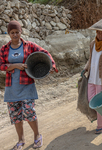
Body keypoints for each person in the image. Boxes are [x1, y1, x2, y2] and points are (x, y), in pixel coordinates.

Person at [0, 20, 58, 150]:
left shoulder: (29, 46)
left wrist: (52, 65)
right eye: (12, 32)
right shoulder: (4, 49)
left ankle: (37, 136)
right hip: (11, 88)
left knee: (29, 112)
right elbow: (1, 65)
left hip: (27, 85)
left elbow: (45, 53)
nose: (15, 35)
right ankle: (21, 140)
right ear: (9, 33)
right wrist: (15, 65)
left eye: (17, 32)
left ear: (21, 32)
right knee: (15, 116)